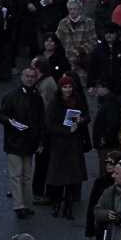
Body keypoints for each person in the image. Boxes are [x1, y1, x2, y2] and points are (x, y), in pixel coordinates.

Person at [0, 67, 46, 219]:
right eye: (27, 76)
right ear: (22, 77)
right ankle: (19, 205)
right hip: (14, 141)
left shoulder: (37, 97)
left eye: (32, 77)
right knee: (16, 175)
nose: (30, 79)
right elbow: (1, 115)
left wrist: (41, 141)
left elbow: (41, 121)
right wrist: (11, 122)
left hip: (29, 141)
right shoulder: (12, 96)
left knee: (25, 175)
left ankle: (25, 204)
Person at [44, 74, 90, 219]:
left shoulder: (77, 100)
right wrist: (66, 130)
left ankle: (68, 207)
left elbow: (87, 115)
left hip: (74, 144)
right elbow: (49, 124)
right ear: (60, 88)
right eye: (65, 87)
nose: (68, 90)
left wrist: (82, 119)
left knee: (71, 179)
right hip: (60, 144)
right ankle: (57, 203)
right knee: (59, 178)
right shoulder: (54, 103)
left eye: (70, 87)